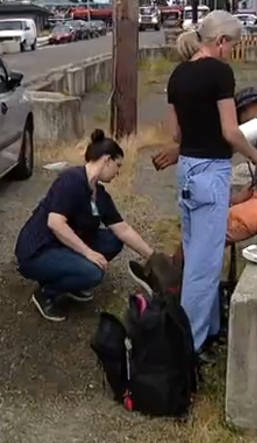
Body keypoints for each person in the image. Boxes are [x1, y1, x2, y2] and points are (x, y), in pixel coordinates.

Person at [153, 10, 257, 359]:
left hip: (188, 171)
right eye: (231, 45)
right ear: (220, 42)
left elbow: (176, 133)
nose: (231, 51)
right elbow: (230, 131)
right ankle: (185, 351)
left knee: (197, 254)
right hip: (211, 173)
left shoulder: (177, 75)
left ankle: (208, 334)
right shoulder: (220, 72)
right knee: (204, 269)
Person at [153, 86, 257, 256]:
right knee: (207, 221)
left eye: (238, 118)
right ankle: (177, 272)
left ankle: (171, 277)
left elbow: (231, 139)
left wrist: (182, 149)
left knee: (205, 230)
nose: (237, 123)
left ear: (247, 108)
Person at [15, 129, 155, 322]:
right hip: (38, 250)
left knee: (113, 240)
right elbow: (55, 223)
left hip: (61, 245)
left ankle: (71, 279)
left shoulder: (100, 195)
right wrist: (87, 253)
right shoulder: (71, 179)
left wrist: (153, 257)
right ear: (107, 160)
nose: (118, 172)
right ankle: (46, 293)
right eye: (118, 165)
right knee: (93, 272)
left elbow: (123, 229)